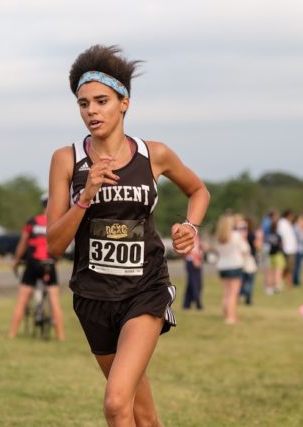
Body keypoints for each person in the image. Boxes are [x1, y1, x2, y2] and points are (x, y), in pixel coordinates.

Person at [47, 45, 210, 426]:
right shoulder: (66, 160)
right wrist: (85, 198)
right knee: (144, 416)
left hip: (144, 290)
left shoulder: (155, 154)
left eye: (101, 101)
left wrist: (190, 227)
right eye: (83, 104)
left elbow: (198, 191)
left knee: (117, 403)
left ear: (124, 103)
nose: (92, 111)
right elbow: (54, 244)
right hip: (93, 296)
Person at [8, 194, 65, 341]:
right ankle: (60, 336)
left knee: (22, 299)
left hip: (32, 263)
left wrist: (16, 260)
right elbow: (60, 246)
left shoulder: (32, 222)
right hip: (49, 263)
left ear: (42, 205)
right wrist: (55, 261)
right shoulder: (57, 222)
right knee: (54, 300)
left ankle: (12, 334)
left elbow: (23, 244)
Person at [215, 214, 249, 323]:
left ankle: (226, 314)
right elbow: (245, 249)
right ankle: (231, 317)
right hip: (235, 265)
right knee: (233, 293)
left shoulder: (219, 237)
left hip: (222, 266)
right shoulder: (236, 235)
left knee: (226, 292)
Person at [238, 215, 259, 305]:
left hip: (247, 258)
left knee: (244, 279)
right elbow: (256, 246)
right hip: (248, 259)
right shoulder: (247, 235)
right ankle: (246, 296)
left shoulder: (243, 234)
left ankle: (244, 295)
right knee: (249, 279)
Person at [182, 232, 204, 310]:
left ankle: (186, 304)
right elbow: (189, 248)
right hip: (192, 260)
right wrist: (195, 259)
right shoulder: (190, 233)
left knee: (191, 283)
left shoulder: (196, 234)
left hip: (195, 260)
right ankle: (197, 302)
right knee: (195, 283)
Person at [264, 214, 284, 295]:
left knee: (270, 272)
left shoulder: (267, 236)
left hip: (269, 255)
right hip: (277, 255)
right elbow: (281, 245)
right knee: (278, 272)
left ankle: (269, 288)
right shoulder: (278, 236)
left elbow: (265, 245)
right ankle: (277, 286)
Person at [277, 210, 297, 287]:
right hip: (287, 249)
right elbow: (280, 237)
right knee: (288, 267)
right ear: (288, 215)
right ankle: (286, 282)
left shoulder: (288, 224)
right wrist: (283, 248)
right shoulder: (282, 223)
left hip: (291, 249)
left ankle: (289, 282)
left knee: (290, 267)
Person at [292, 214, 303, 286]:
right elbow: (301, 239)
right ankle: (295, 281)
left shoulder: (301, 228)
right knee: (296, 267)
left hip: (301, 250)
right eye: (302, 220)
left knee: (299, 267)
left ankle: (297, 280)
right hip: (296, 250)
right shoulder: (296, 228)